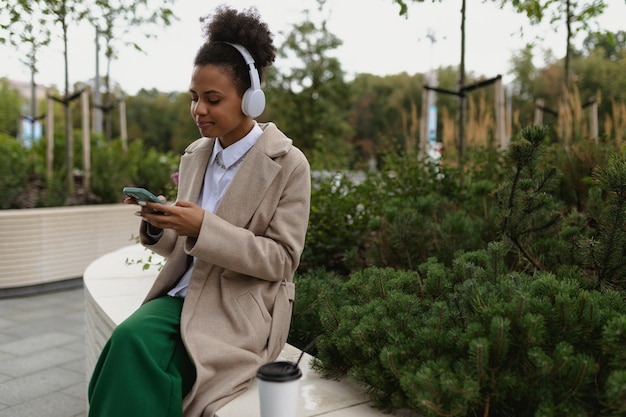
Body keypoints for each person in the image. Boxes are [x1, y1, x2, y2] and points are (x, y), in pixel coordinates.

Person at [87, 5, 311, 417]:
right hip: (181, 295)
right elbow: (183, 244)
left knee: (144, 356)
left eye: (212, 99)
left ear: (251, 98)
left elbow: (281, 260)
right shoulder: (195, 155)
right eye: (194, 98)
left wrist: (204, 227)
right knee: (128, 341)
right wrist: (161, 225)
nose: (198, 110)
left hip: (236, 307)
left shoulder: (289, 164)